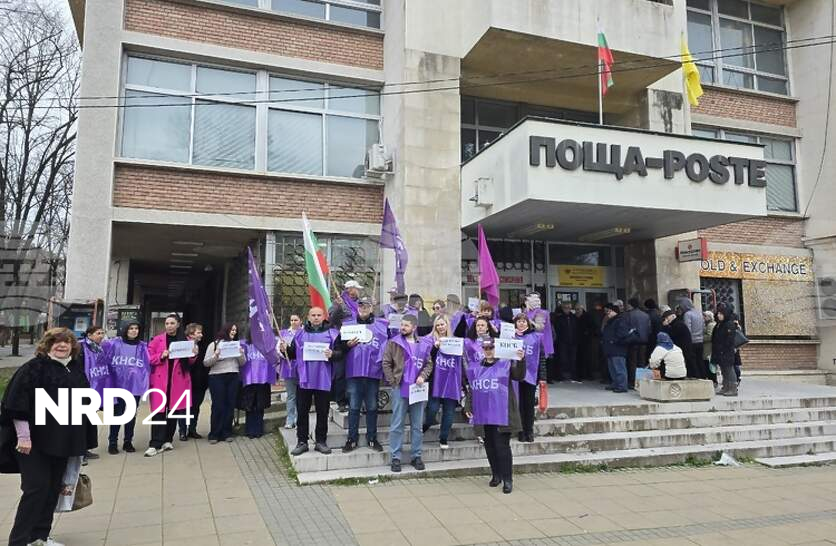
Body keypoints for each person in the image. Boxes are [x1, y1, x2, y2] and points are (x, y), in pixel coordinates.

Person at [1, 328, 98, 546]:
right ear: (47, 345)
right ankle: (18, 541)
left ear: (73, 346)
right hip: (33, 442)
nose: (62, 345)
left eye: (66, 342)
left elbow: (84, 404)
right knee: (36, 489)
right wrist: (23, 437)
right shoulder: (34, 368)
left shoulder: (75, 369)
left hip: (63, 442)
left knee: (53, 489)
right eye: (56, 342)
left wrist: (83, 440)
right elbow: (16, 403)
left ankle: (40, 537)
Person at [464, 336, 525, 494]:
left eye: (491, 348)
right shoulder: (476, 367)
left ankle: (507, 479)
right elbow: (473, 388)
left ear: (496, 349)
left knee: (502, 446)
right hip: (484, 413)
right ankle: (496, 474)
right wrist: (468, 405)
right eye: (485, 348)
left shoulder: (505, 364)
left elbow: (519, 376)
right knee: (489, 445)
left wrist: (521, 360)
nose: (488, 351)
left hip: (501, 413)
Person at [282, 307, 338, 456]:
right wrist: (284, 349)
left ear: (323, 316)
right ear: (308, 317)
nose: (316, 317)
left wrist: (333, 354)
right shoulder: (300, 334)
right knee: (302, 411)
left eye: (319, 315)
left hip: (323, 379)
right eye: (313, 315)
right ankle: (302, 442)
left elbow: (340, 353)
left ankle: (321, 441)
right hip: (304, 379)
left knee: (322, 412)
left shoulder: (332, 333)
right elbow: (292, 353)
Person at [382, 314, 433, 472]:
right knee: (397, 423)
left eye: (406, 325)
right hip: (400, 387)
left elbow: (429, 364)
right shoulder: (394, 342)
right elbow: (386, 363)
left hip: (417, 389)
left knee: (417, 425)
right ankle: (395, 457)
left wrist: (423, 376)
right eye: (402, 325)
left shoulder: (423, 344)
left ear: (414, 327)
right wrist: (393, 382)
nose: (402, 328)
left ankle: (416, 456)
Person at [339, 297, 388, 453]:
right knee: (354, 406)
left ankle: (372, 438)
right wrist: (347, 345)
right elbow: (339, 347)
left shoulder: (381, 326)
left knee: (372, 406)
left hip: (373, 372)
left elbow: (387, 346)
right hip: (354, 373)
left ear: (371, 308)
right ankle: (351, 439)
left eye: (366, 306)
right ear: (357, 308)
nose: (363, 308)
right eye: (361, 305)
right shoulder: (348, 325)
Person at [145, 314, 198, 457]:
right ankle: (155, 443)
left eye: (172, 323)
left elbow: (190, 362)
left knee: (173, 411)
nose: (169, 326)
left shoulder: (185, 341)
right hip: (160, 381)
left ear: (178, 324)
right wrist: (161, 356)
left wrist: (193, 355)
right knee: (158, 413)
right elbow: (148, 357)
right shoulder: (157, 340)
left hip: (177, 381)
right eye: (167, 323)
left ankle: (168, 439)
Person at [101, 321, 150, 454]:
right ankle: (112, 442)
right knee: (117, 414)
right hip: (117, 385)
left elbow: (149, 363)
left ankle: (128, 441)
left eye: (136, 328)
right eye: (131, 328)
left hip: (134, 386)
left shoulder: (143, 346)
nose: (134, 331)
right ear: (125, 330)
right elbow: (100, 351)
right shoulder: (115, 343)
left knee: (131, 415)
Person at [423, 315, 464, 449]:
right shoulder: (430, 340)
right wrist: (435, 347)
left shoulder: (455, 341)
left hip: (451, 381)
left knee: (449, 412)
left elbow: (460, 362)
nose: (440, 327)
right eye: (438, 325)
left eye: (443, 324)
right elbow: (427, 359)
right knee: (432, 409)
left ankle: (443, 438)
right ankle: (427, 423)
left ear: (447, 325)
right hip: (435, 381)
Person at [203, 323, 246, 444]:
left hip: (233, 375)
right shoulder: (214, 344)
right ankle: (214, 433)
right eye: (232, 330)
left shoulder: (236, 345)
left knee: (230, 404)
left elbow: (242, 363)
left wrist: (240, 353)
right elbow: (206, 363)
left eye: (235, 330)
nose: (234, 332)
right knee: (218, 405)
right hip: (217, 376)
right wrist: (216, 355)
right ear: (226, 330)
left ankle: (227, 432)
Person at [513, 313, 547, 442]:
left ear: (528, 323)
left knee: (529, 405)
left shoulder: (536, 337)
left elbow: (541, 358)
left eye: (524, 321)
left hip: (531, 375)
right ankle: (521, 431)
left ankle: (529, 430)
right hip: (515, 376)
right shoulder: (510, 337)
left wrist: (542, 376)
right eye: (519, 321)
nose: (521, 323)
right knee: (519, 405)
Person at [238, 330, 278, 439]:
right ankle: (250, 431)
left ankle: (258, 430)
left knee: (260, 406)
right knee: (249, 406)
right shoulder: (244, 344)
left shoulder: (267, 345)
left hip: (263, 380)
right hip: (249, 380)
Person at [80, 325, 107, 461]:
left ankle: (86, 449)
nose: (101, 336)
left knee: (90, 421)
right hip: (83, 389)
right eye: (98, 333)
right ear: (89, 335)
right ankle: (79, 452)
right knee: (81, 422)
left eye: (102, 333)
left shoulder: (98, 348)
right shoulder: (81, 347)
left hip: (94, 389)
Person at [179, 322, 207, 440]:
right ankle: (182, 431)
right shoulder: (183, 346)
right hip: (185, 380)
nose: (201, 335)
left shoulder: (202, 346)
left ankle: (192, 429)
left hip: (200, 382)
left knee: (195, 406)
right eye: (198, 332)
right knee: (184, 407)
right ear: (191, 334)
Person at [601, 303, 637, 393]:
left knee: (619, 368)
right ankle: (615, 383)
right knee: (612, 368)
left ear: (615, 312)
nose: (608, 313)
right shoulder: (611, 321)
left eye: (610, 311)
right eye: (607, 311)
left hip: (617, 348)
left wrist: (613, 340)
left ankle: (622, 386)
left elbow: (622, 334)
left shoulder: (620, 320)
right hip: (610, 348)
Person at [278, 314, 303, 429]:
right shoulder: (284, 334)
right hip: (289, 367)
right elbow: (277, 350)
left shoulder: (304, 333)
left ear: (300, 321)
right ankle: (290, 419)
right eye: (291, 320)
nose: (293, 322)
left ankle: (299, 420)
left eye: (296, 320)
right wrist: (282, 351)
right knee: (291, 395)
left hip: (301, 367)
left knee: (301, 396)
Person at [712, 305, 739, 397]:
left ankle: (733, 388)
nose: (718, 315)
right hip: (720, 351)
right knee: (723, 370)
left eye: (721, 314)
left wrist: (723, 348)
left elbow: (729, 339)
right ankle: (726, 387)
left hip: (726, 351)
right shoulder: (720, 324)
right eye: (718, 313)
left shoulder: (729, 324)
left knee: (729, 369)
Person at [624, 298, 651, 390]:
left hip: (632, 341)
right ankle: (641, 382)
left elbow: (626, 329)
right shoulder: (645, 315)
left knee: (632, 362)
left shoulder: (628, 315)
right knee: (641, 362)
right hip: (643, 341)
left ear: (630, 305)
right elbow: (649, 329)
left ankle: (633, 382)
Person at [661, 310, 696, 378]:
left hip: (683, 349)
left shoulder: (677, 325)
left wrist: (665, 327)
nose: (666, 319)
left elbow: (671, 337)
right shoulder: (677, 324)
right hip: (684, 349)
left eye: (667, 317)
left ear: (673, 316)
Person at [679, 297, 707, 379]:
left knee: (692, 361)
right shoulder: (699, 313)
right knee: (700, 360)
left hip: (691, 341)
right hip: (700, 341)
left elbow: (687, 329)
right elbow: (703, 327)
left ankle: (695, 376)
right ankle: (703, 376)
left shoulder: (687, 314)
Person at [553, 301, 580, 383]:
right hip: (562, 342)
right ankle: (561, 376)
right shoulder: (559, 318)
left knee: (573, 359)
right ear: (562, 308)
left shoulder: (574, 317)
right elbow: (557, 330)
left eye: (569, 308)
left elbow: (577, 329)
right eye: (565, 308)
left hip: (573, 342)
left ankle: (573, 376)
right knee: (562, 359)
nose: (567, 309)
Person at [703, 311, 717, 383]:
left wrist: (700, 338)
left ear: (709, 317)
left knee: (710, 365)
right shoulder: (708, 324)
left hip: (708, 348)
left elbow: (710, 336)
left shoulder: (711, 325)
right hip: (707, 348)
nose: (704, 318)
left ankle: (713, 380)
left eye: (705, 316)